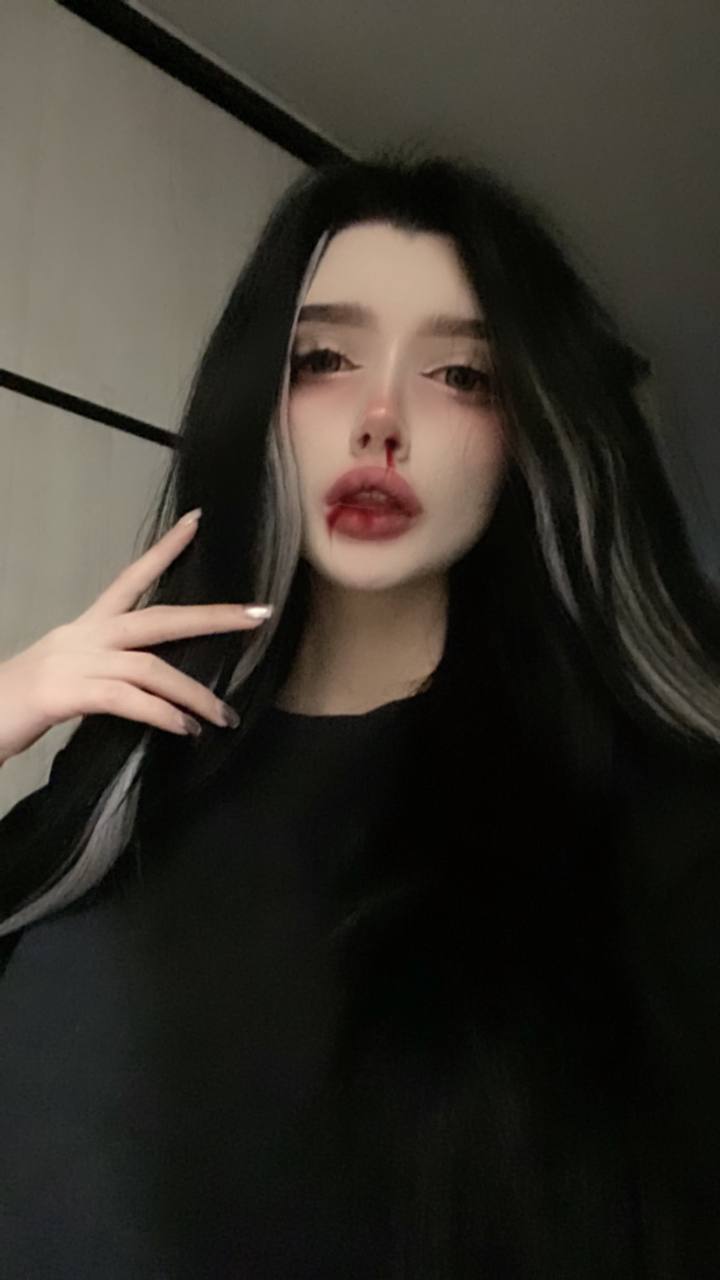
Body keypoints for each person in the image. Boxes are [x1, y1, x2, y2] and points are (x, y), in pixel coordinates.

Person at [1, 148, 720, 1278]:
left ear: (530, 433)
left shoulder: (649, 816)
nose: (381, 420)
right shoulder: (133, 750)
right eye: (327, 359)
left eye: (462, 375)